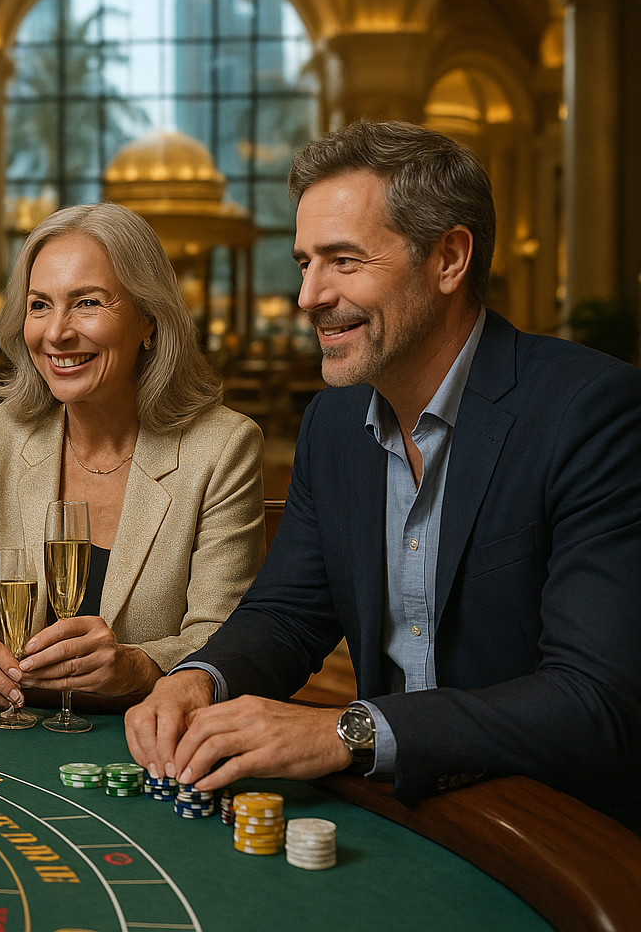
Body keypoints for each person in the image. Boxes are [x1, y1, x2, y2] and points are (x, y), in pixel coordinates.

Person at [124, 120, 641, 831]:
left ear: (450, 258)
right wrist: (197, 679)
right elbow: (286, 616)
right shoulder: (333, 426)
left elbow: (595, 703)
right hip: (405, 818)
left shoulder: (591, 412)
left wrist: (348, 730)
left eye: (342, 260)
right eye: (304, 262)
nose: (308, 296)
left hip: (560, 835)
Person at [0, 202, 265, 707]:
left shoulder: (222, 448)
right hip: (14, 728)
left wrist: (139, 665)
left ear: (149, 319)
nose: (56, 333)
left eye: (87, 303)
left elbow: (226, 641)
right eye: (39, 305)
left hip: (144, 736)